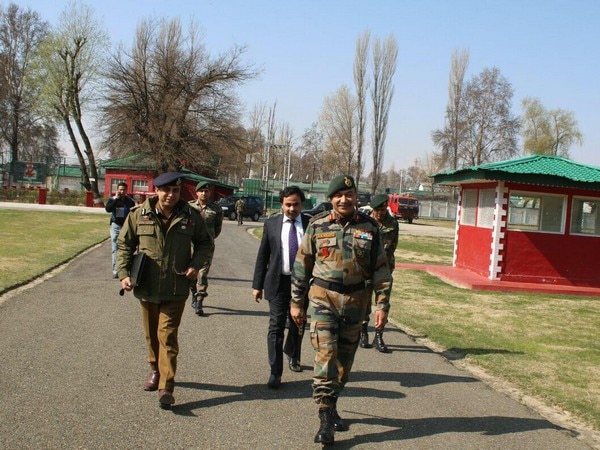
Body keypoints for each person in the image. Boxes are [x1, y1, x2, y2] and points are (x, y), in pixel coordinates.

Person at [290, 175, 391, 445]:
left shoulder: (369, 227)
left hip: (357, 302)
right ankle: (324, 417)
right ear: (331, 198)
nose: (344, 200)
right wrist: (296, 302)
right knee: (326, 352)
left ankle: (332, 401)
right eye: (339, 195)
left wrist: (382, 304)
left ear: (356, 197)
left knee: (344, 362)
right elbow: (302, 267)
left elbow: (381, 269)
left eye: (349, 194)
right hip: (324, 298)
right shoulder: (317, 225)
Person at [117, 172, 213, 410]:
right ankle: (154, 369)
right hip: (147, 286)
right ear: (156, 191)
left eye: (176, 191)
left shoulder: (191, 216)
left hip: (175, 286)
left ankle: (166, 387)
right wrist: (123, 274)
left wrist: (195, 265)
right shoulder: (138, 214)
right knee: (151, 335)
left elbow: (205, 243)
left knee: (167, 336)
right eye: (166, 190)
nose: (171, 195)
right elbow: (124, 244)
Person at [252, 186, 310, 389]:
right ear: (282, 205)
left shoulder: (311, 225)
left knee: (298, 323)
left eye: (296, 204)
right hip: (278, 282)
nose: (292, 208)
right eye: (288, 204)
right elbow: (263, 255)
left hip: (303, 285)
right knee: (276, 327)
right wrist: (257, 285)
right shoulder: (272, 224)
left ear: (302, 204)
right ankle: (275, 372)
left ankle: (293, 354)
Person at [359, 193, 399, 352]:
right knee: (365, 302)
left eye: (382, 209)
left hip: (384, 270)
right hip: (367, 269)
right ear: (372, 209)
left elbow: (394, 246)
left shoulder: (393, 223)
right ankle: (363, 333)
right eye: (377, 210)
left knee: (383, 303)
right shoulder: (364, 222)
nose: (380, 213)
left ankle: (379, 336)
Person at [188, 181, 224, 316]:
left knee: (202, 273)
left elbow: (218, 228)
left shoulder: (216, 209)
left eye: (206, 191)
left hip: (207, 246)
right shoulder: (189, 206)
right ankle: (193, 292)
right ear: (196, 192)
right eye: (201, 191)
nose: (204, 193)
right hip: (190, 245)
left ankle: (199, 301)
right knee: (191, 271)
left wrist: (209, 238)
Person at [105, 181, 136, 278]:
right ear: (117, 190)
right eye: (120, 189)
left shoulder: (130, 201)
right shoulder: (112, 199)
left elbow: (133, 213)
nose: (122, 191)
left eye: (124, 190)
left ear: (127, 190)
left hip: (126, 227)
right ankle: (116, 271)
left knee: (128, 248)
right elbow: (108, 209)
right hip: (116, 226)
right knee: (115, 248)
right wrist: (116, 199)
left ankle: (126, 269)